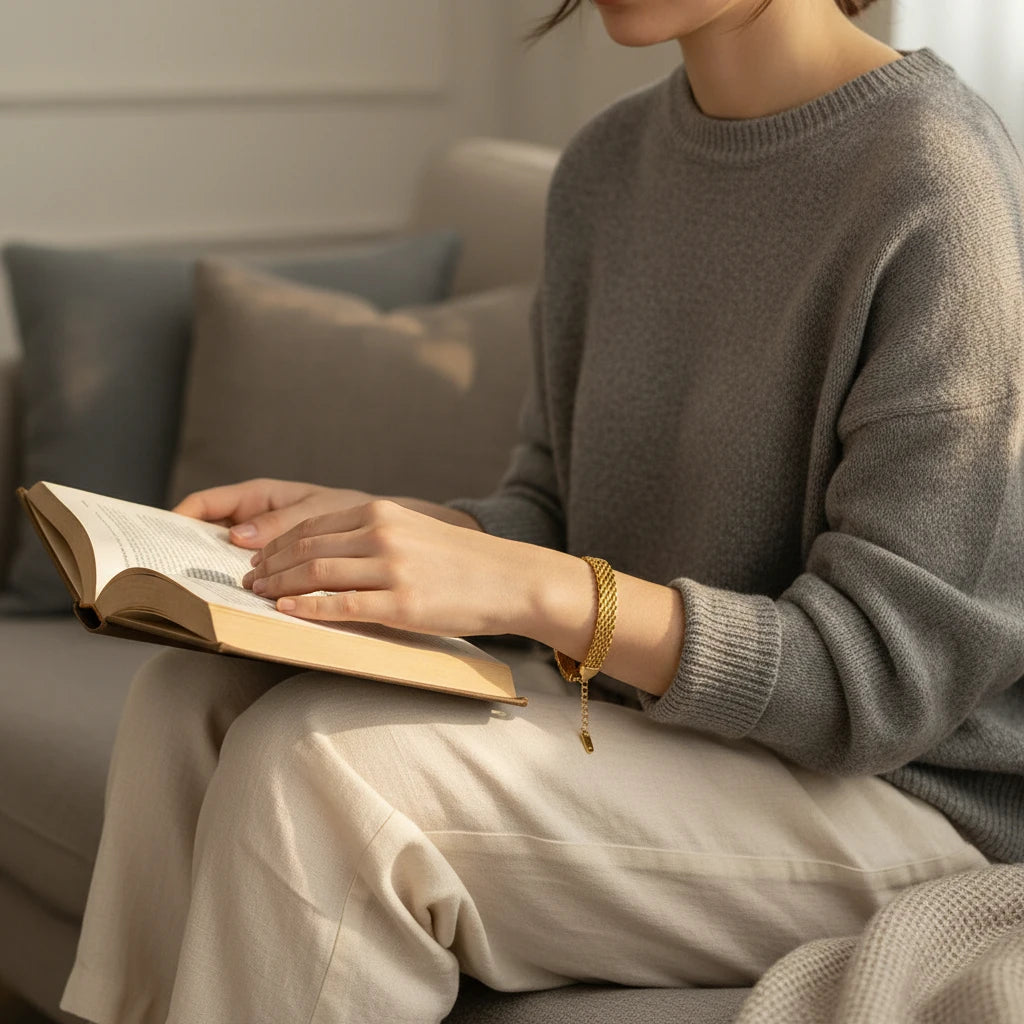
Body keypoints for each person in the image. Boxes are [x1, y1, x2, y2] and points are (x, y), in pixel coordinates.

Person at [61, 0, 1024, 1021]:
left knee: (333, 775)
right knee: (186, 703)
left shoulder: (934, 178)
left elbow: (880, 676)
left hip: (902, 799)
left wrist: (534, 587)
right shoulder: (607, 168)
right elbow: (558, 508)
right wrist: (414, 538)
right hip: (666, 729)